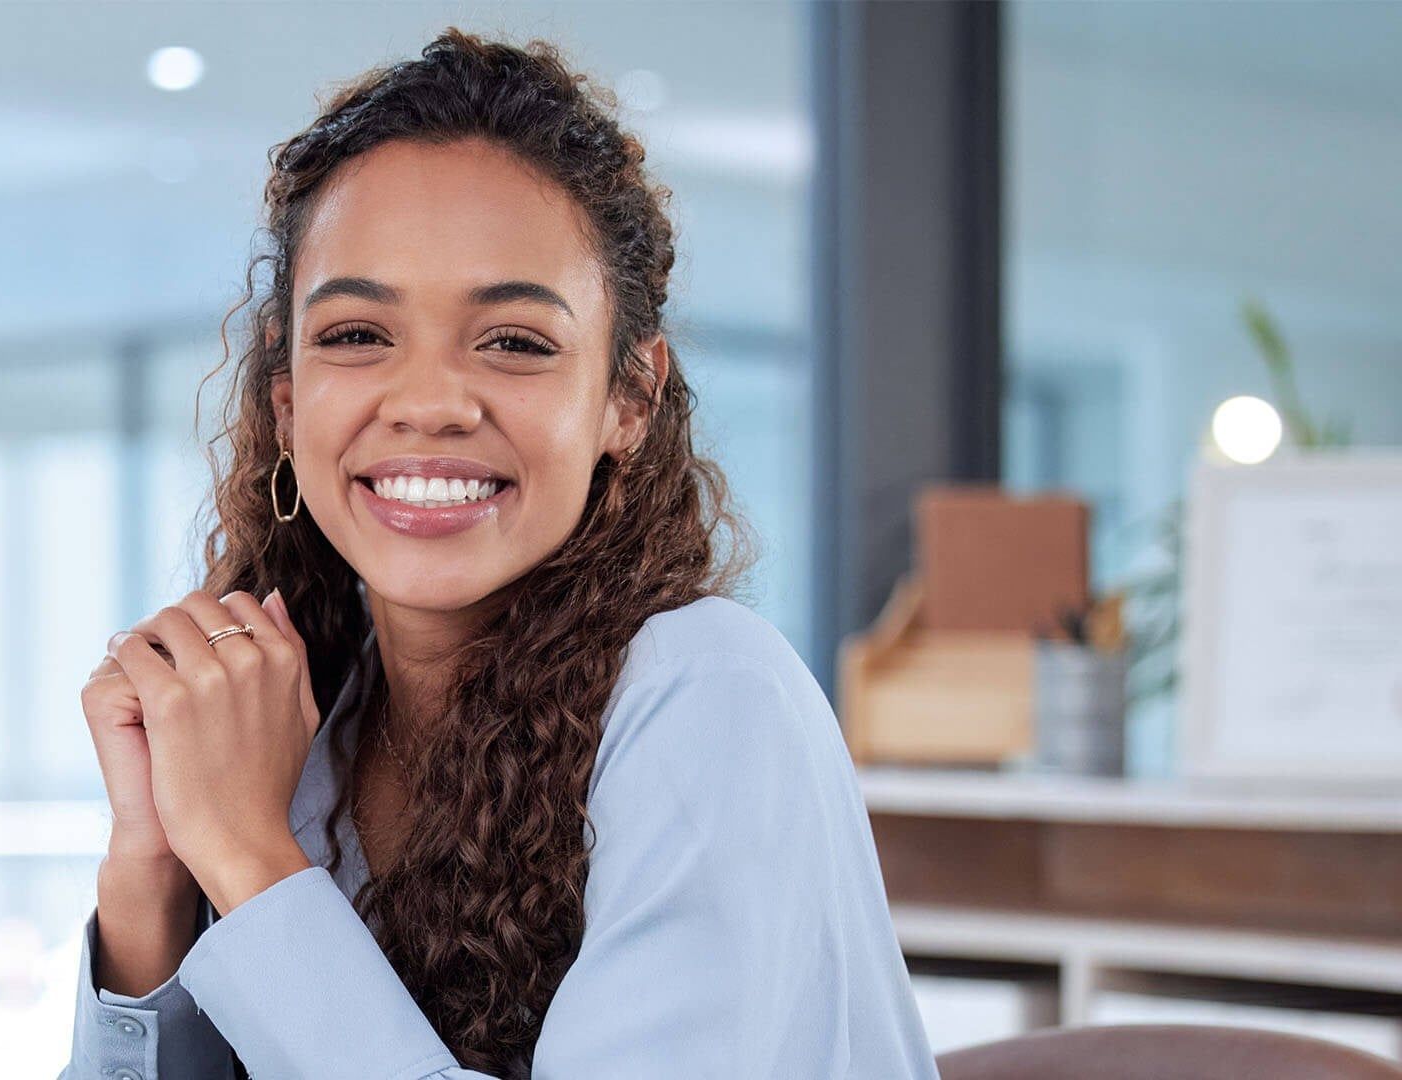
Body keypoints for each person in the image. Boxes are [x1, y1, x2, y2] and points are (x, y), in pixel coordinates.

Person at [61, 27, 939, 1080]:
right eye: (355, 336)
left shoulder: (713, 696)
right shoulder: (307, 719)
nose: (429, 403)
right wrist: (155, 870)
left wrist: (249, 857)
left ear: (630, 398)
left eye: (514, 342)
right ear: (287, 404)